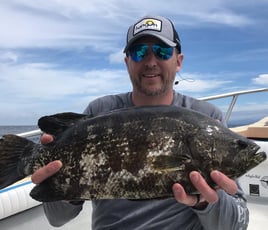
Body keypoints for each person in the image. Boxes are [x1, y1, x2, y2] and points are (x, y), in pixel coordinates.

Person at [31, 15, 249, 229]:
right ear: (127, 63)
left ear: (178, 61)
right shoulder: (99, 112)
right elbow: (56, 220)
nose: (151, 62)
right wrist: (66, 190)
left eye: (162, 51)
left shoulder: (207, 117)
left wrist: (207, 202)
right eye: (139, 52)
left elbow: (237, 224)